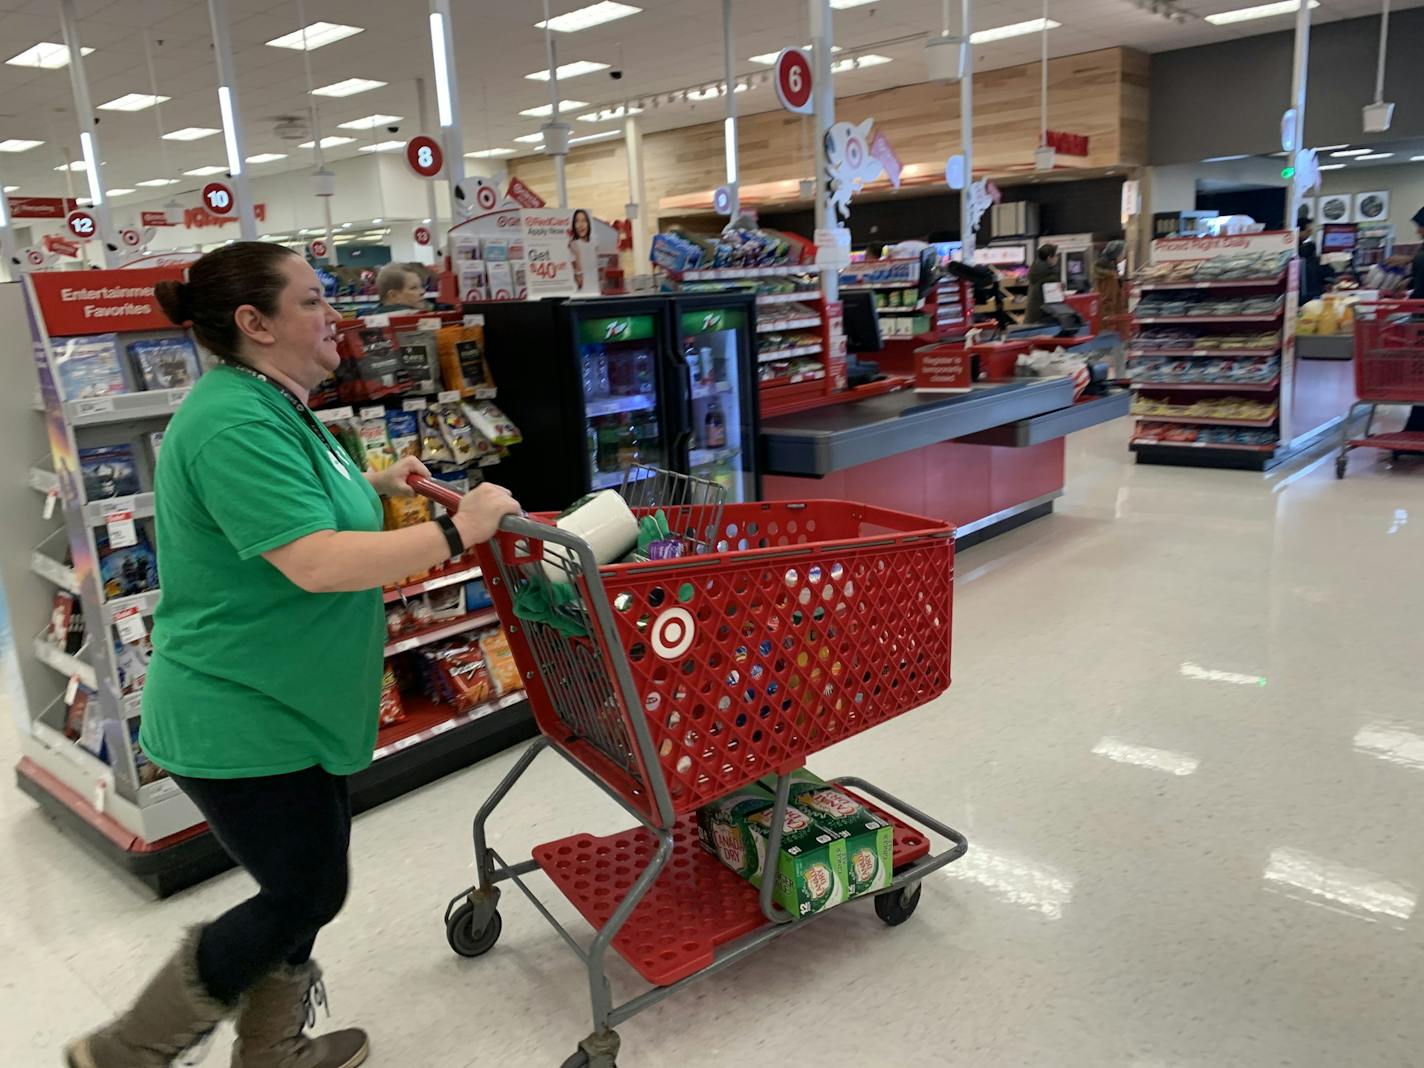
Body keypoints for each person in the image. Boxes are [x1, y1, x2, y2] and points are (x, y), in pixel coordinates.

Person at [65, 242, 522, 1068]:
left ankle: (270, 1050)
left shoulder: (268, 398)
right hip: (238, 709)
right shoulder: (231, 419)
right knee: (307, 889)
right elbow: (313, 560)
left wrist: (378, 489)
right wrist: (462, 530)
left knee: (306, 881)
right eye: (311, 301)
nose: (334, 314)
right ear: (255, 323)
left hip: (287, 701)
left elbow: (304, 506)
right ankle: (126, 1050)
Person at [1024, 242, 1060, 324]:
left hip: (1031, 319)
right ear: (1049, 258)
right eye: (1055, 255)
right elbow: (1055, 302)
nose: (1057, 258)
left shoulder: (1035, 270)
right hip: (1044, 321)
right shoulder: (1050, 277)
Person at [1092, 239, 1127, 319]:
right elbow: (1108, 299)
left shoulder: (1108, 272)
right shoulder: (1110, 277)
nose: (1123, 255)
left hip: (1108, 315)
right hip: (1109, 318)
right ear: (1115, 254)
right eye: (1122, 252)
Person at [568, 208, 600, 295]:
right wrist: (577, 254)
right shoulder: (573, 245)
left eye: (584, 220)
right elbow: (579, 281)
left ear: (588, 223)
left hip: (596, 290)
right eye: (577, 221)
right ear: (573, 225)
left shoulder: (594, 241)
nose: (581, 225)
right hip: (583, 292)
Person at [1298, 221, 1325, 304]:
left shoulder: (1304, 248)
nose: (1310, 233)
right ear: (1299, 231)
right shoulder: (1302, 250)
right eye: (1308, 231)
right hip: (1308, 293)